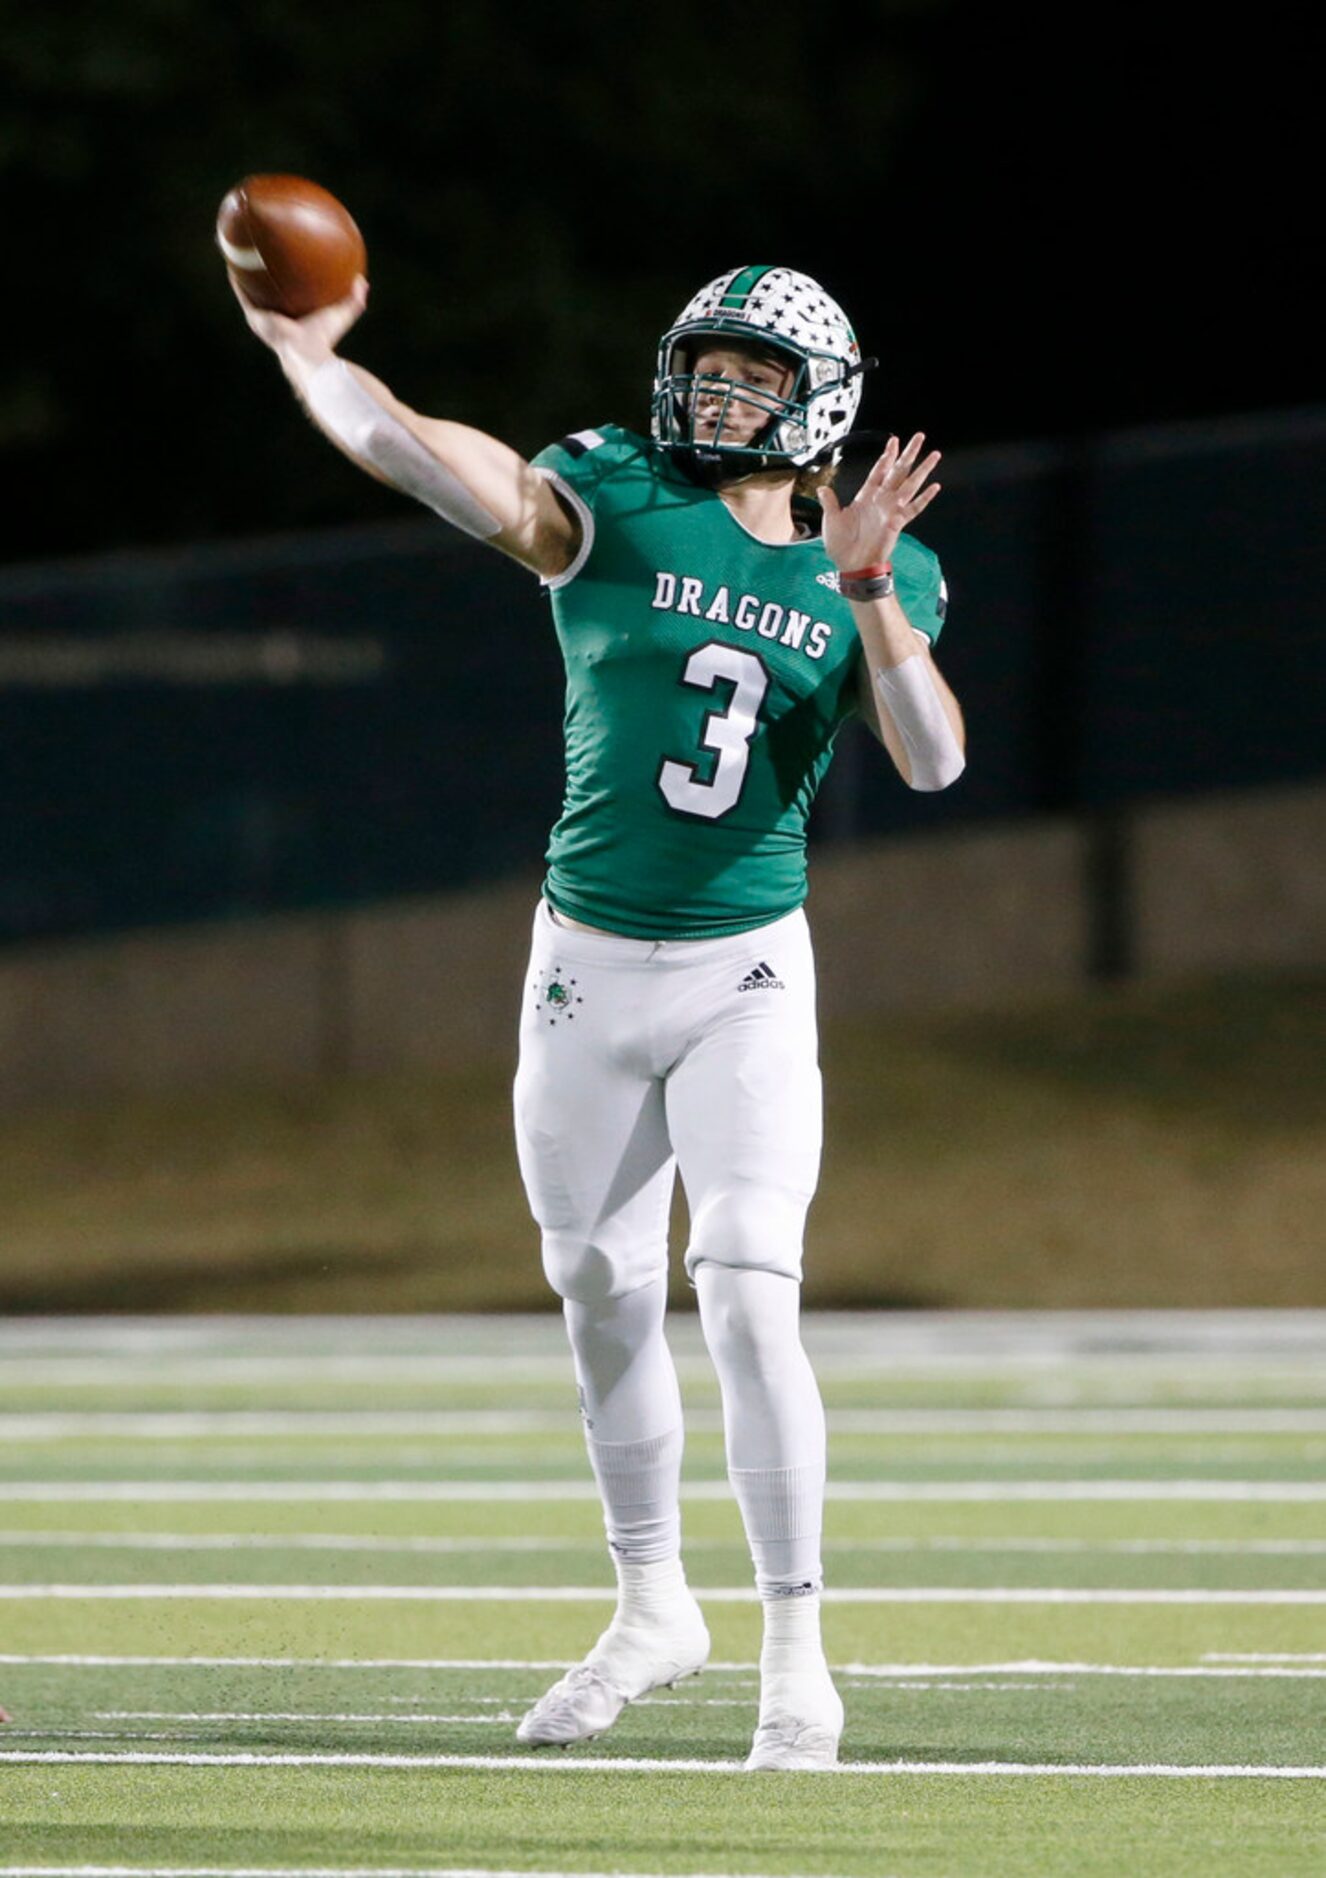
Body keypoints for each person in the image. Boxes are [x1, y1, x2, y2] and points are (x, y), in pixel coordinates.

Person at [234, 260, 965, 1770]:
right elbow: (428, 456)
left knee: (750, 1281)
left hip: (744, 967)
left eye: (754, 372)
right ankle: (650, 1605)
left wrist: (870, 589)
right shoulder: (613, 496)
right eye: (708, 360)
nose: (717, 390)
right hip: (580, 961)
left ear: (817, 396)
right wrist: (310, 355)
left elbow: (934, 761)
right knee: (591, 1281)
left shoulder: (874, 559)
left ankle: (795, 1649)